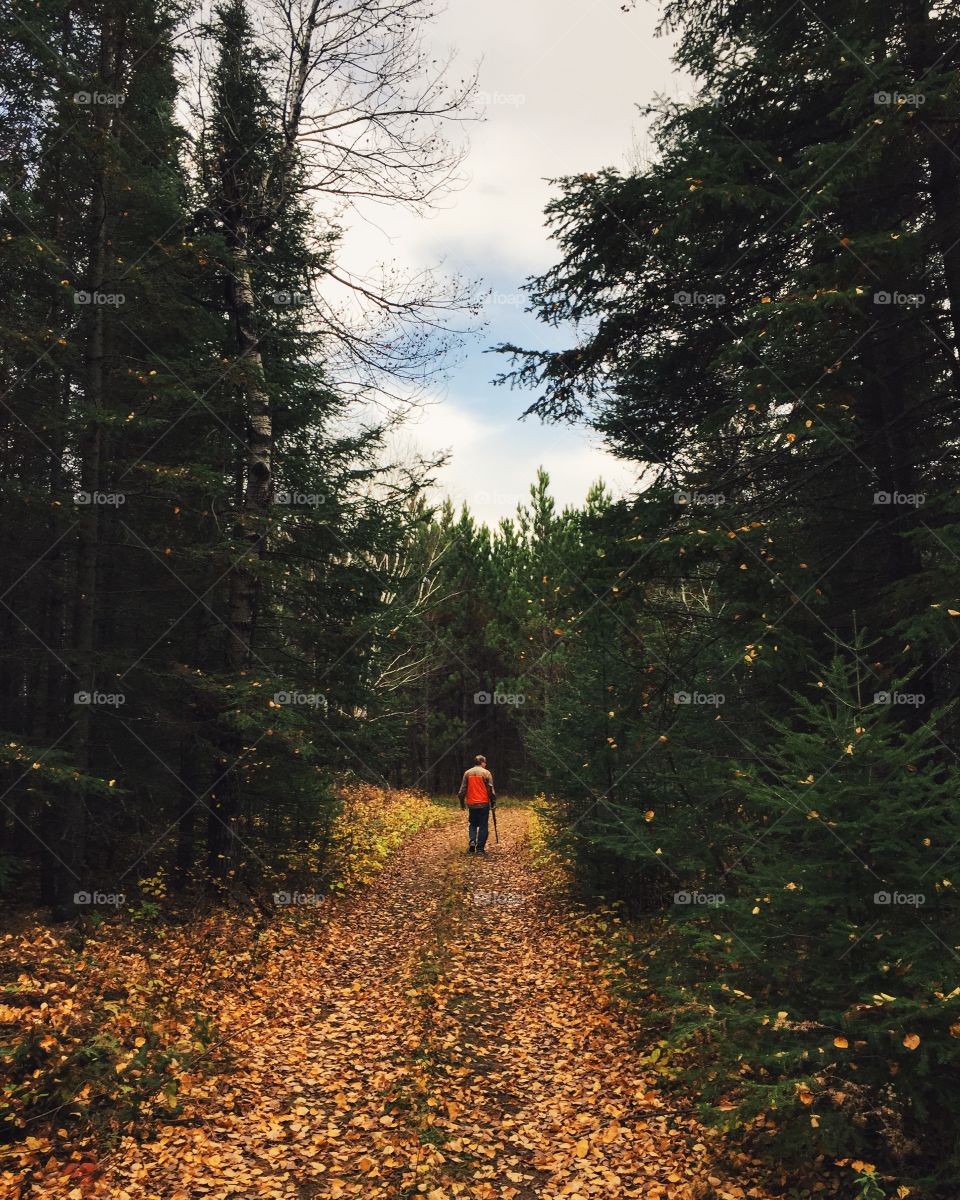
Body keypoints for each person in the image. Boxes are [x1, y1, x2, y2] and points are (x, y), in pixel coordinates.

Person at [459, 754, 496, 854]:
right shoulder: (486, 773)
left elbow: (462, 790)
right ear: (482, 763)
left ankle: (472, 841)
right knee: (483, 826)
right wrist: (493, 802)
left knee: (473, 824)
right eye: (485, 762)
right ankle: (480, 849)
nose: (486, 764)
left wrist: (462, 803)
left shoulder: (467, 773)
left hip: (471, 804)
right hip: (483, 803)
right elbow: (491, 790)